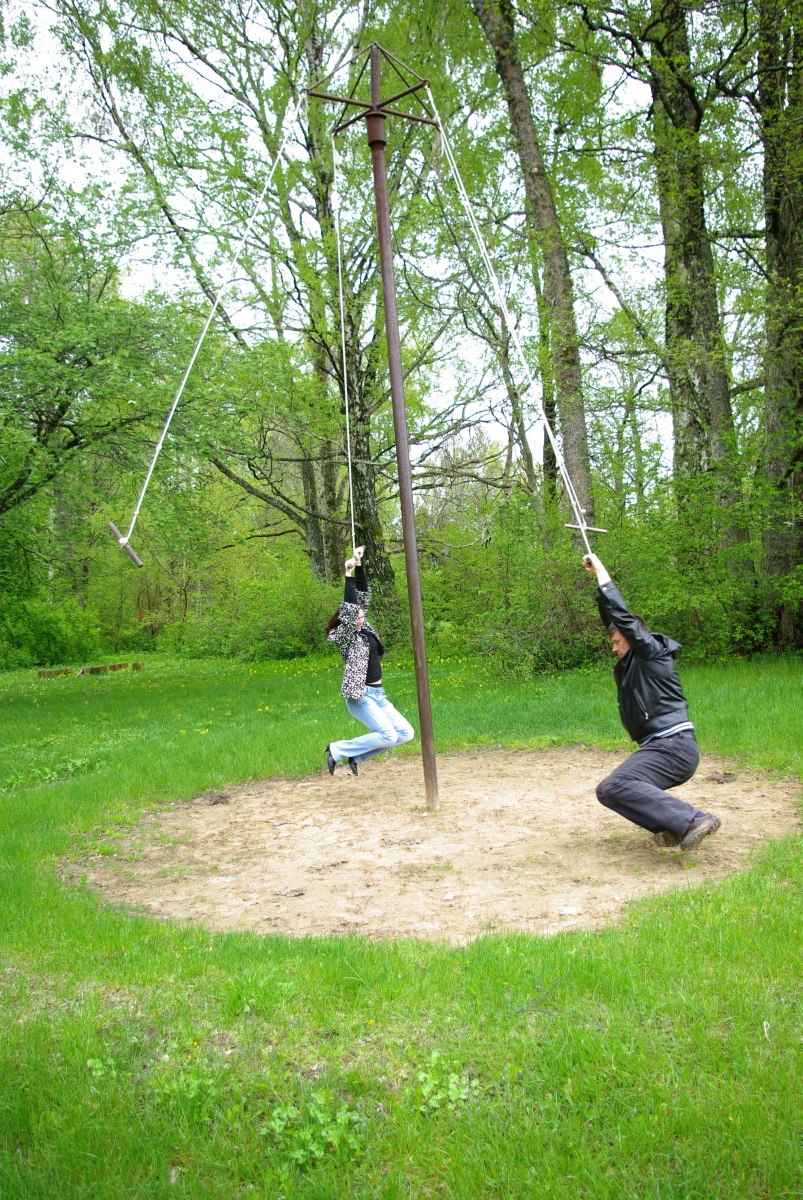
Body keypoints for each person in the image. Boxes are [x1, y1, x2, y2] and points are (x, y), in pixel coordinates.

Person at [583, 552, 721, 851]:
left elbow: (622, 617)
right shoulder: (635, 660)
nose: (614, 648)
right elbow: (613, 619)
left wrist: (603, 575)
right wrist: (597, 586)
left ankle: (694, 820)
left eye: (617, 642)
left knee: (617, 784)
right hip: (661, 747)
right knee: (607, 791)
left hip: (673, 747)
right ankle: (673, 827)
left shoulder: (652, 653)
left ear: (633, 637)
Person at [325, 546, 414, 776]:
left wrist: (359, 564)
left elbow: (362, 596)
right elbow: (350, 609)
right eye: (356, 618)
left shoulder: (364, 627)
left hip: (378, 695)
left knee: (405, 733)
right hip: (361, 695)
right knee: (388, 735)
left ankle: (356, 756)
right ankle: (337, 749)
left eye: (362, 616)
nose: (360, 620)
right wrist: (347, 574)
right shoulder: (345, 636)